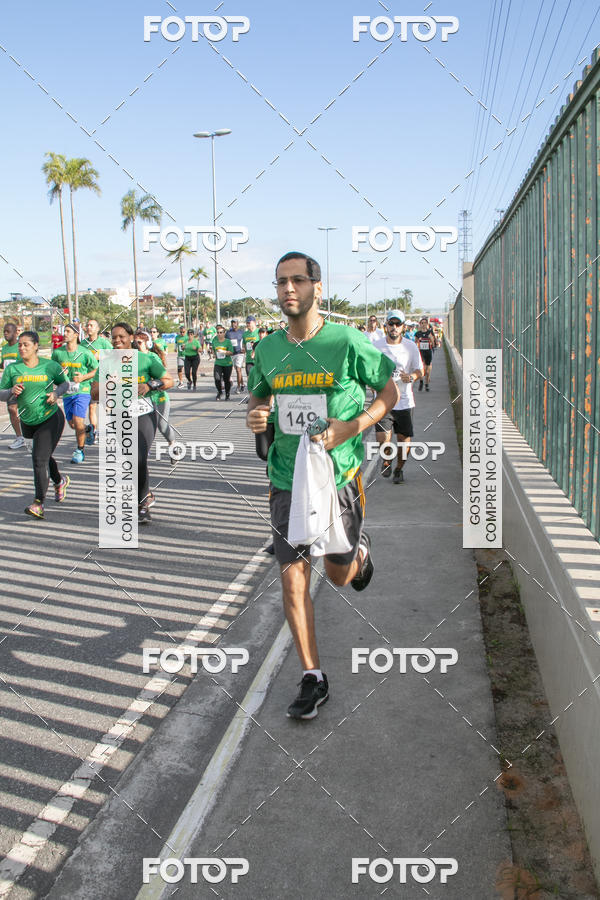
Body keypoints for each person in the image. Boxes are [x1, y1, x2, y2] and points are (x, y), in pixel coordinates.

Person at [246, 251, 397, 720]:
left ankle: (359, 554)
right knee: (293, 581)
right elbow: (259, 392)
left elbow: (388, 392)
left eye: (297, 280)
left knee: (337, 575)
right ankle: (313, 676)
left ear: (317, 286)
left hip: (337, 479)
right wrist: (255, 413)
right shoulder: (268, 349)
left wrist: (353, 427)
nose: (288, 289)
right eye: (280, 282)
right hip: (286, 479)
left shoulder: (346, 341)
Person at [90, 322, 173, 524]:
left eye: (122, 337)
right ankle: (145, 493)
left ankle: (141, 505)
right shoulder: (107, 362)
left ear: (130, 338)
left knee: (140, 456)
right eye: (114, 337)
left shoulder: (145, 359)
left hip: (144, 412)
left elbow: (168, 380)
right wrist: (109, 383)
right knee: (131, 460)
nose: (117, 340)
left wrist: (149, 384)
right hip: (119, 414)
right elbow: (94, 393)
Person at [0, 330, 71, 518]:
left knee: (38, 459)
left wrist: (56, 394)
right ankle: (59, 481)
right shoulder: (12, 369)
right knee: (44, 457)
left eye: (26, 345)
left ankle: (38, 503)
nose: (21, 348)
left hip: (50, 418)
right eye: (20, 345)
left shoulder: (50, 366)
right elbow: (1, 392)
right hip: (28, 421)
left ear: (36, 346)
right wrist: (10, 392)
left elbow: (65, 384)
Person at [372, 310, 423, 484]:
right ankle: (386, 460)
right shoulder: (376, 346)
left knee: (403, 441)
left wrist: (412, 377)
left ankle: (399, 469)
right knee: (382, 438)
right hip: (383, 400)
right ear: (385, 325)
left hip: (405, 401)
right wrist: (372, 381)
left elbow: (419, 370)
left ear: (403, 327)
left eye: (397, 324)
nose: (394, 327)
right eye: (391, 323)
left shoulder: (410, 346)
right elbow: (368, 368)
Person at [52, 322, 98, 464]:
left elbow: (96, 369)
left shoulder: (84, 352)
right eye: (64, 331)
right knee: (73, 424)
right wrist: (59, 373)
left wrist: (83, 377)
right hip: (67, 392)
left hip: (83, 391)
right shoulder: (58, 353)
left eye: (67, 331)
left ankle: (80, 450)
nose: (64, 334)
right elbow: (51, 371)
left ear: (76, 335)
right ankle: (88, 429)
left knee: (78, 421)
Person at [134, 328, 177, 446]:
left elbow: (164, 379)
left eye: (139, 343)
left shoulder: (152, 358)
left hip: (158, 398)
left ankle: (173, 444)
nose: (137, 346)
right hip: (141, 401)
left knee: (162, 426)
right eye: (135, 343)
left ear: (148, 344)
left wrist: (149, 385)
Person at [82, 318, 112, 445]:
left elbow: (114, 355)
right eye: (87, 325)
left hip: (104, 378)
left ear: (97, 329)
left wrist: (101, 356)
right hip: (90, 380)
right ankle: (93, 431)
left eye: (92, 325)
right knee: (92, 406)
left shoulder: (103, 343)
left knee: (107, 406)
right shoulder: (83, 344)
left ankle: (110, 429)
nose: (89, 327)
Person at [1, 321, 26, 449]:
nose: (5, 333)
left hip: (21, 383)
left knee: (25, 410)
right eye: (4, 331)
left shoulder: (20, 347)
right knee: (11, 409)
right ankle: (19, 437)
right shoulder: (4, 348)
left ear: (15, 332)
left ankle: (30, 434)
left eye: (8, 331)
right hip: (9, 384)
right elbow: (3, 364)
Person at [414, 316, 436, 391]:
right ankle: (421, 381)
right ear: (420, 324)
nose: (423, 324)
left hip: (428, 351)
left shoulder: (429, 332)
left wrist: (431, 340)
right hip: (421, 352)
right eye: (422, 323)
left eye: (425, 323)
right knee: (421, 368)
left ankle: (427, 383)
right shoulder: (418, 333)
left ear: (427, 324)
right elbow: (415, 342)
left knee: (427, 370)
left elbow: (433, 343)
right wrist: (418, 342)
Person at [212, 326, 234, 400]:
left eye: (221, 332)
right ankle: (219, 391)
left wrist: (223, 352)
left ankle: (227, 393)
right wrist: (214, 354)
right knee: (217, 378)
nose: (219, 334)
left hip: (227, 363)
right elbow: (213, 350)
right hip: (218, 363)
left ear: (224, 333)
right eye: (218, 332)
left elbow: (231, 352)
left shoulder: (228, 341)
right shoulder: (215, 341)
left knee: (226, 379)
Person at [226, 318, 245, 393]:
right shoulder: (228, 333)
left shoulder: (242, 332)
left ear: (238, 324)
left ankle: (238, 387)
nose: (233, 324)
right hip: (232, 354)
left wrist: (244, 348)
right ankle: (243, 384)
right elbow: (226, 342)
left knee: (238, 369)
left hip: (240, 353)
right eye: (232, 323)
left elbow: (245, 341)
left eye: (235, 323)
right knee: (238, 370)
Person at [243, 315, 260, 381]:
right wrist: (243, 349)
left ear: (254, 323)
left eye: (249, 323)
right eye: (247, 323)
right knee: (249, 379)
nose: (247, 324)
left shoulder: (259, 332)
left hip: (258, 360)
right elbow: (244, 345)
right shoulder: (245, 334)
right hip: (249, 359)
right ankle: (251, 391)